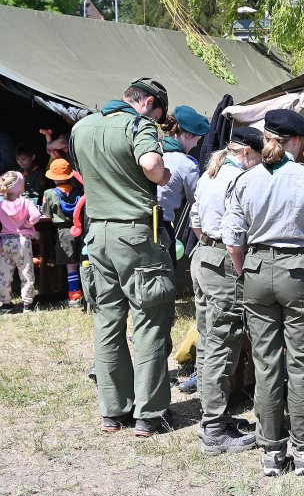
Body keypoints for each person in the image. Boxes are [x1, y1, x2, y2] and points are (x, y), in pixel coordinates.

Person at [222, 109, 304, 477]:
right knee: (302, 364)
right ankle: (302, 451)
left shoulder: (245, 178)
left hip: (255, 268)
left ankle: (271, 449)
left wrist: (244, 270)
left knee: (266, 364)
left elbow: (233, 241)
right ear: (297, 141)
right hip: (298, 270)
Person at [70, 77, 174, 437]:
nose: (157, 122)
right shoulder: (137, 124)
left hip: (97, 233)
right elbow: (150, 164)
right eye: (158, 114)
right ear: (145, 102)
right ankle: (149, 414)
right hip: (135, 234)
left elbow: (82, 172)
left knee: (107, 320)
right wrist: (164, 173)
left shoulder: (81, 127)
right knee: (150, 319)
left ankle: (113, 412)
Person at [189, 128, 263, 455]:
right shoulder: (238, 179)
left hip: (204, 254)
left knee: (209, 340)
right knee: (224, 343)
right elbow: (240, 233)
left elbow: (194, 220)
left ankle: (212, 417)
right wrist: (242, 267)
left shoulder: (210, 173)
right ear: (247, 153)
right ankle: (214, 430)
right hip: (224, 260)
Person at [158, 105, 210, 266]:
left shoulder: (149, 149)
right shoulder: (186, 165)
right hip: (159, 228)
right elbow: (198, 200)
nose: (195, 145)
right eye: (196, 139)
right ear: (187, 134)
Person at [41, 159, 84, 308]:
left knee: (70, 266)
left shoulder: (50, 193)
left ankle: (74, 296)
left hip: (64, 232)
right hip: (80, 229)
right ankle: (88, 293)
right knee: (83, 262)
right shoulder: (78, 191)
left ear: (53, 177)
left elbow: (46, 213)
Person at [0, 171, 41, 313]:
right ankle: (27, 304)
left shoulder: (1, 204)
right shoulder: (26, 202)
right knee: (26, 272)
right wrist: (28, 225)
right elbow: (36, 215)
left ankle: (6, 304)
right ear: (20, 187)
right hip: (22, 241)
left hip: (4, 242)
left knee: (4, 274)